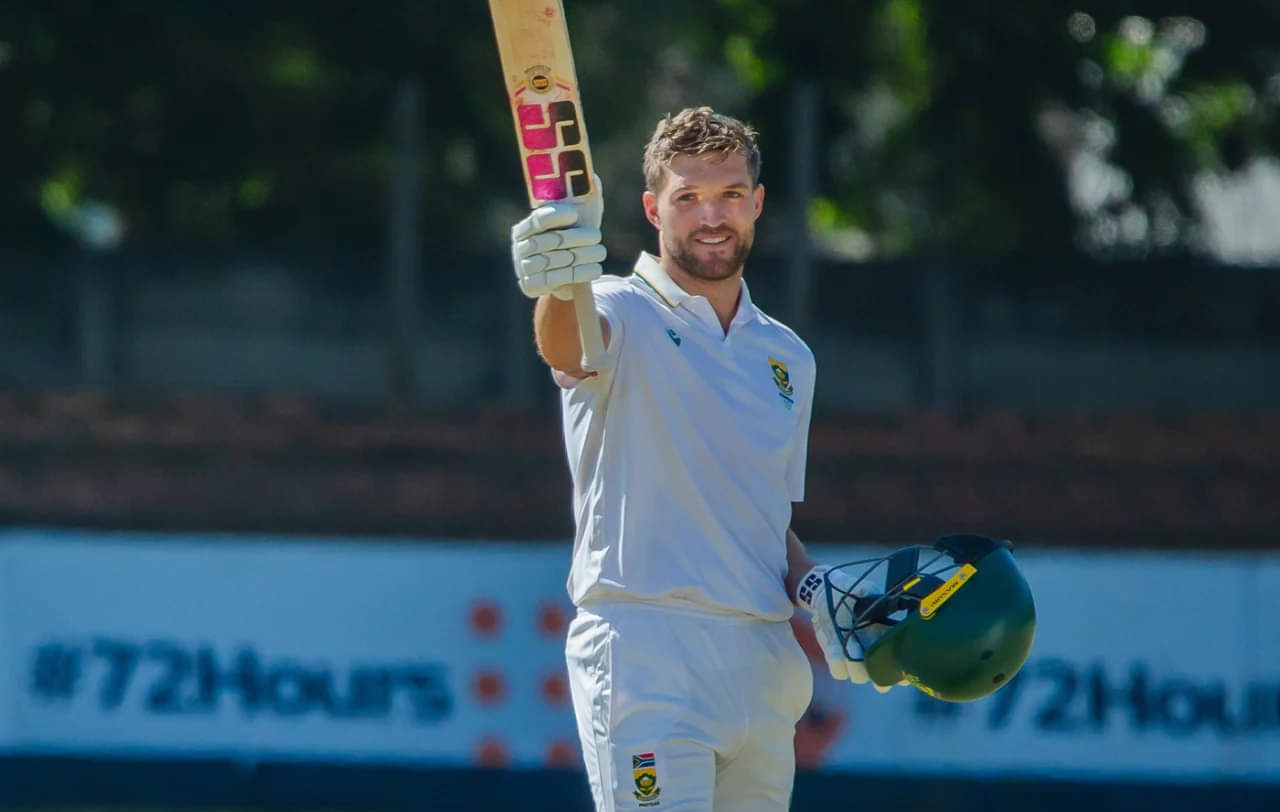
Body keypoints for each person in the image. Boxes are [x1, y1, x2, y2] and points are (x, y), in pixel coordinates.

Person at [509, 106, 895, 812]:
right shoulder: (617, 310)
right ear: (654, 209)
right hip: (647, 651)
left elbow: (760, 519)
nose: (710, 217)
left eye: (728, 196)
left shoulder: (787, 357)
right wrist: (556, 280)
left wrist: (814, 589)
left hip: (763, 660)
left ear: (757, 204)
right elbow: (567, 347)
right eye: (688, 198)